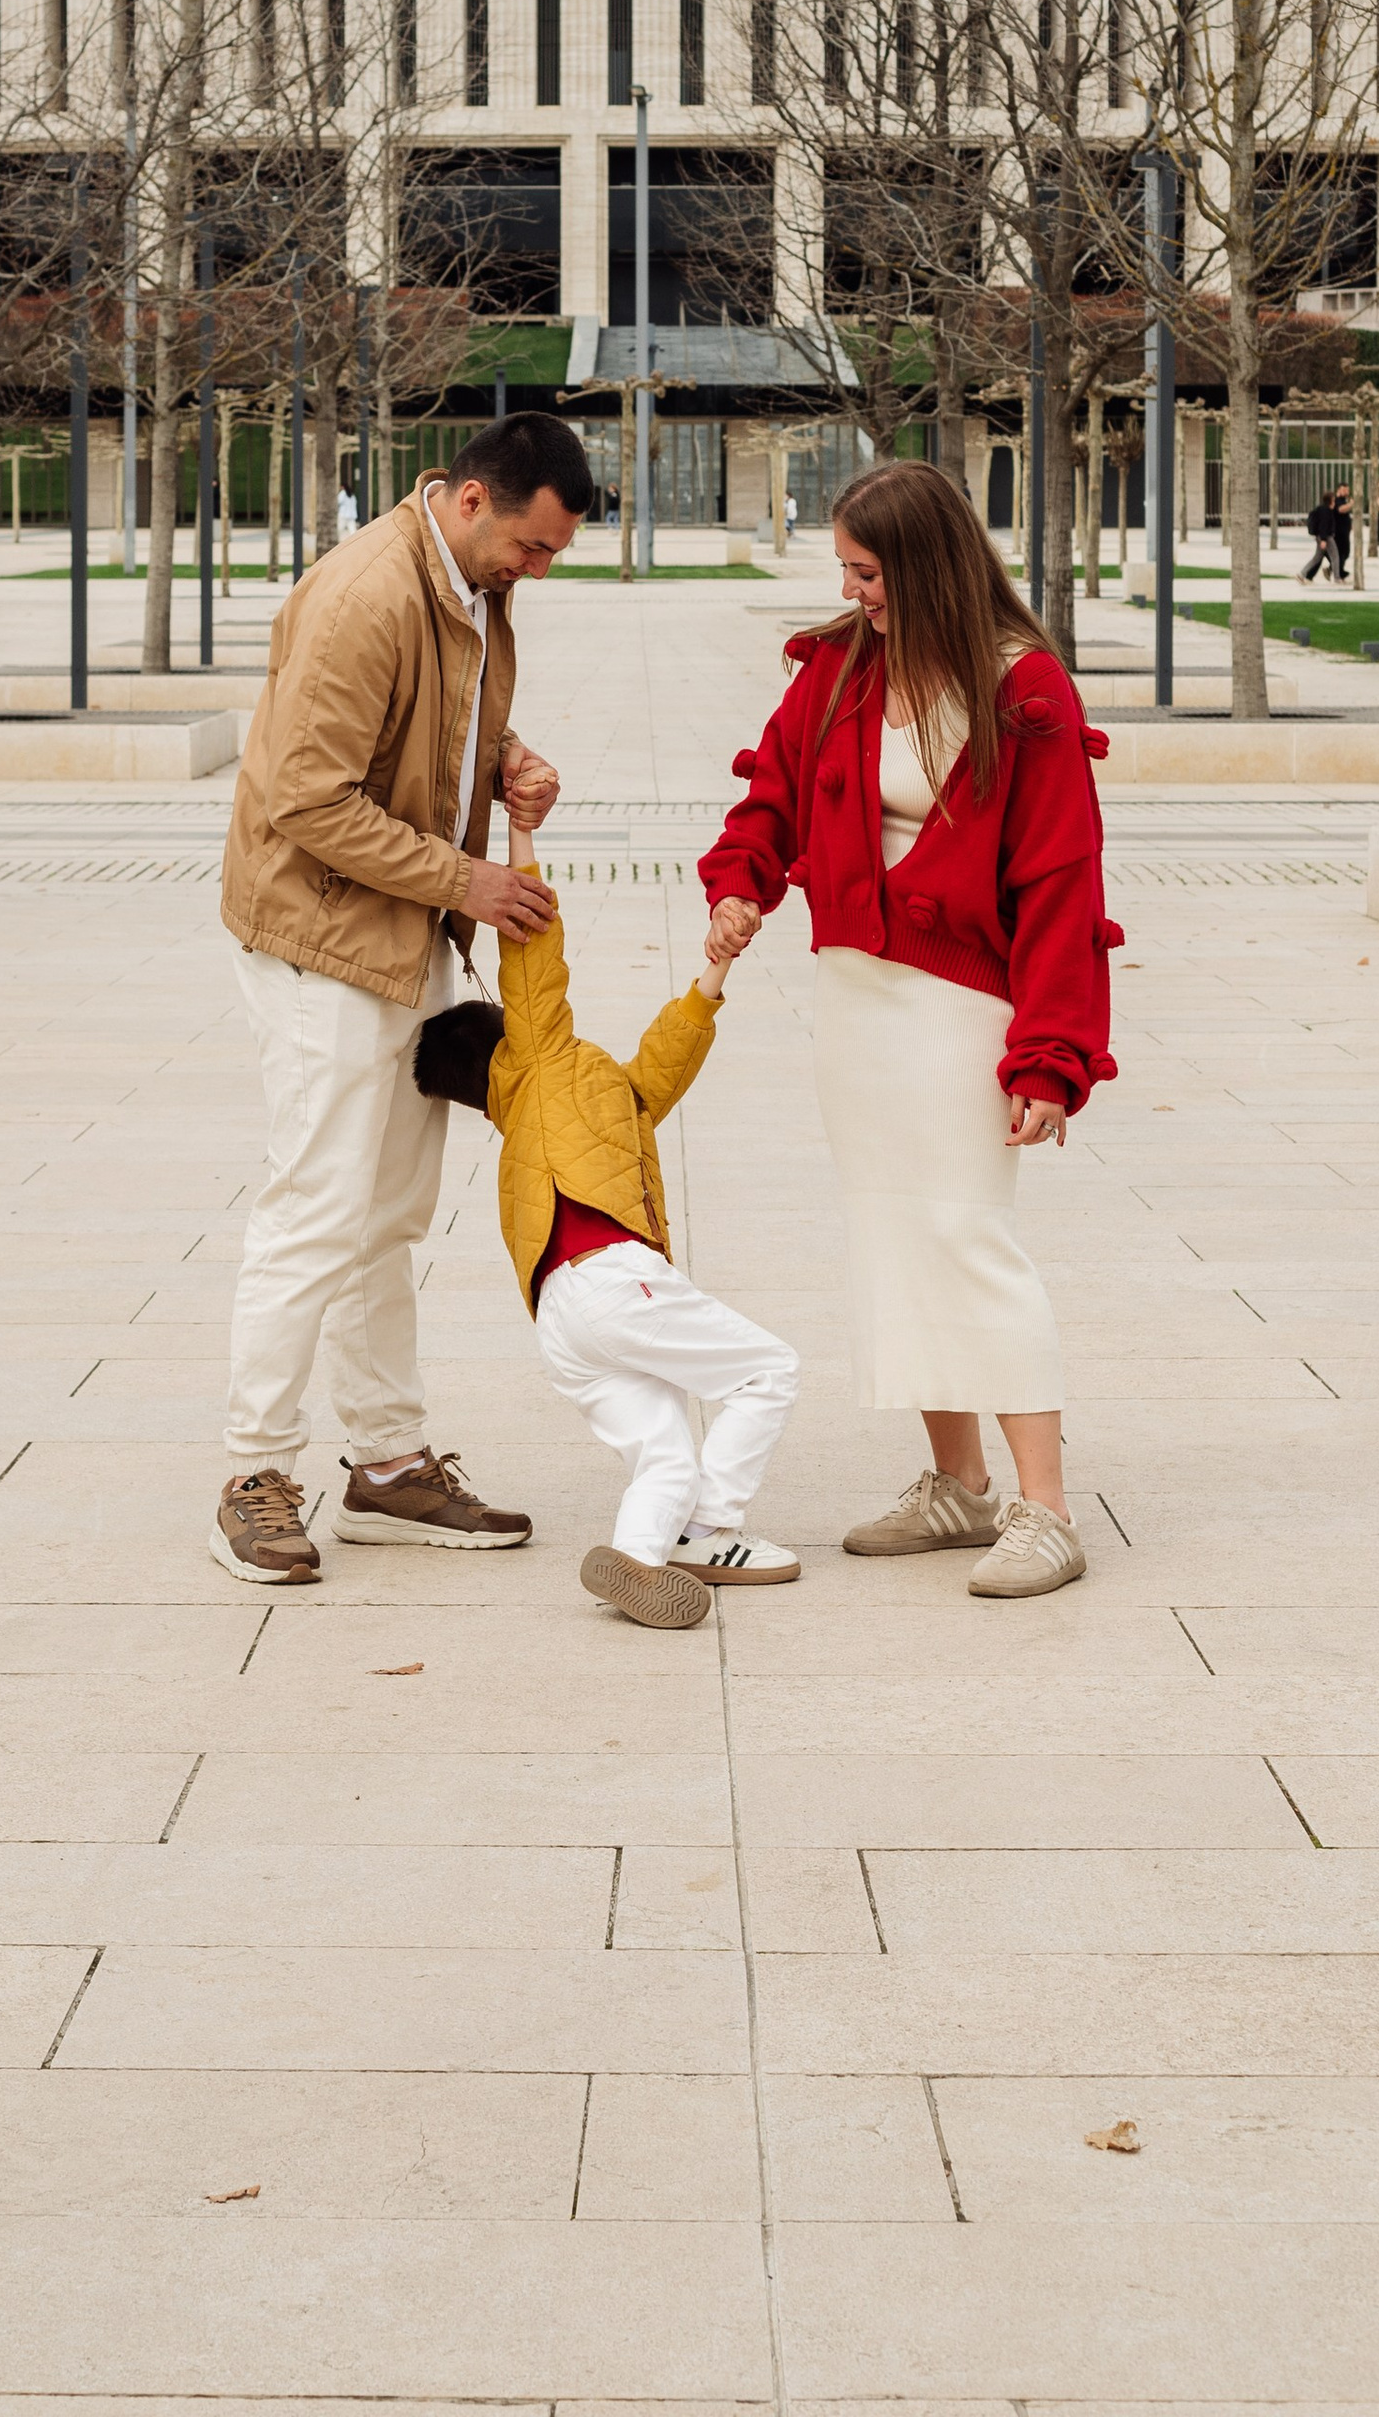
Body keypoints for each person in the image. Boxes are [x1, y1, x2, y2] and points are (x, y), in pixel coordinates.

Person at [700, 460, 1117, 1602]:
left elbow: (1062, 883)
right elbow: (771, 797)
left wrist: (1050, 1057)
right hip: (856, 995)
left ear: (928, 567)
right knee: (891, 1235)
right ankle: (959, 1487)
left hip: (962, 1004)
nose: (852, 591)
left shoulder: (1022, 686)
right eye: (844, 568)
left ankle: (1046, 1509)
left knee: (965, 1234)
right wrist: (739, 885)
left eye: (869, 572)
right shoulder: (841, 668)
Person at [213, 411, 594, 1586]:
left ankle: (386, 1465)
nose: (538, 572)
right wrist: (465, 879)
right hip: (324, 938)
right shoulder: (366, 594)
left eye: (553, 554)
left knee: (383, 1218)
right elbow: (307, 796)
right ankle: (252, 1475)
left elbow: (424, 725)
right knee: (315, 1209)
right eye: (532, 547)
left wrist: (505, 757)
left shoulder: (467, 580)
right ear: (472, 499)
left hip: (399, 931)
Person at [416, 773, 799, 1631]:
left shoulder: (571, 1106)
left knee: (666, 1453)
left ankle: (638, 1557)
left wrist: (716, 969)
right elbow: (532, 954)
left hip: (566, 1322)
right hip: (612, 1279)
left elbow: (661, 1066)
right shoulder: (542, 1056)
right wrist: (521, 833)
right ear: (501, 1037)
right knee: (767, 1371)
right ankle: (712, 1531)